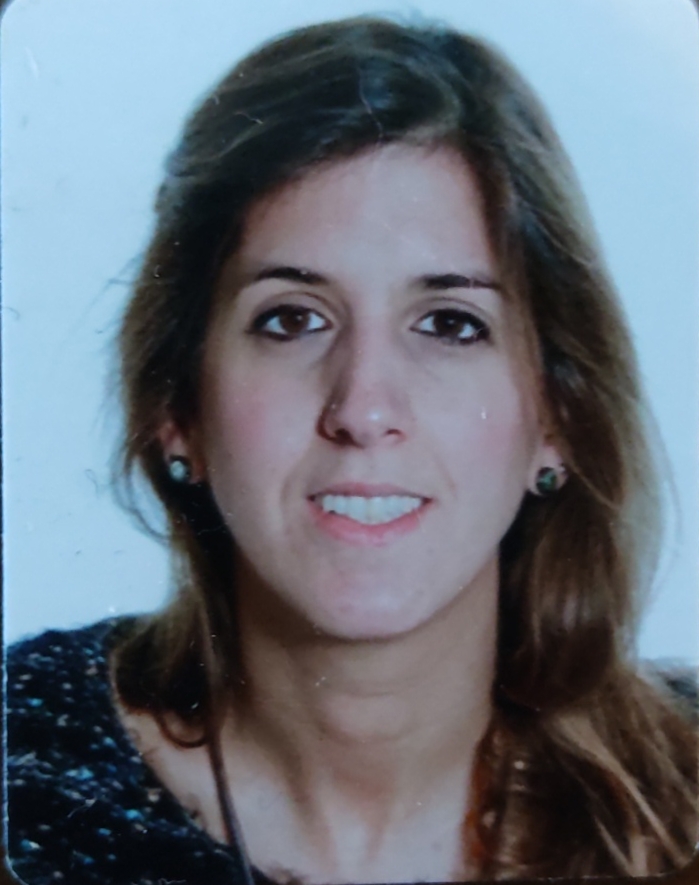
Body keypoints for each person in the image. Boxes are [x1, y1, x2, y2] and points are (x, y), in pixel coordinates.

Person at [5, 15, 697, 885]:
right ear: (177, 407)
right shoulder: (24, 775)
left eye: (449, 324)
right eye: (292, 319)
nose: (363, 409)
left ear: (556, 416)